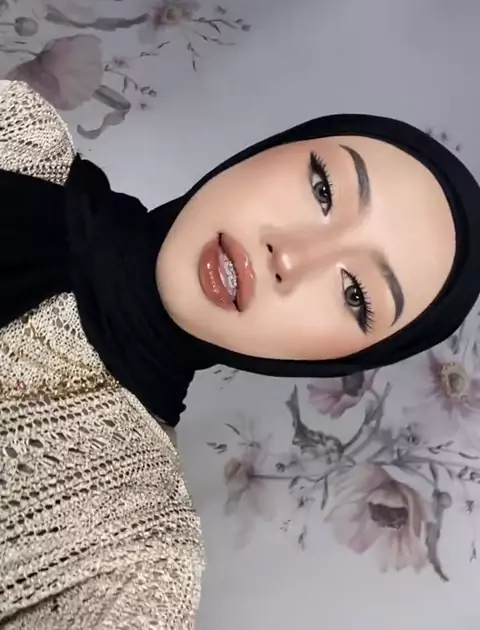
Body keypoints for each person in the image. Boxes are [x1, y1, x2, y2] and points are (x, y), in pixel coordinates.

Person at [1, 78, 480, 628]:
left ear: (333, 360)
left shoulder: (135, 567)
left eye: (356, 296)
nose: (290, 258)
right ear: (276, 147)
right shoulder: (19, 130)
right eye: (324, 188)